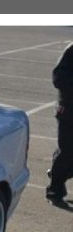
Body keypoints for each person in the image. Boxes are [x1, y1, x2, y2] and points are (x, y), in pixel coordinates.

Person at [47, 42, 73, 205]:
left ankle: (57, 173)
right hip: (70, 111)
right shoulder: (71, 51)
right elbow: (59, 78)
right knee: (68, 151)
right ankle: (54, 188)